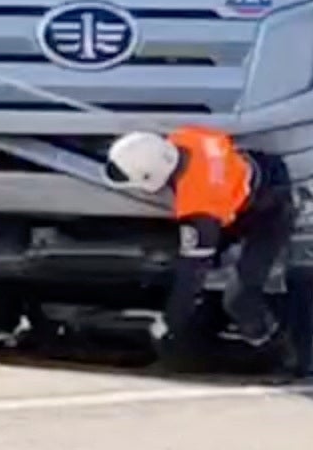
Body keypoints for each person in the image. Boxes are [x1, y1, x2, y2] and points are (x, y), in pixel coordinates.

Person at [108, 127, 298, 371]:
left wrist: (169, 325)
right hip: (256, 173)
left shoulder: (199, 206)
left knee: (240, 299)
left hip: (269, 212)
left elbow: (191, 274)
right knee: (200, 255)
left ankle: (277, 350)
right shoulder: (187, 136)